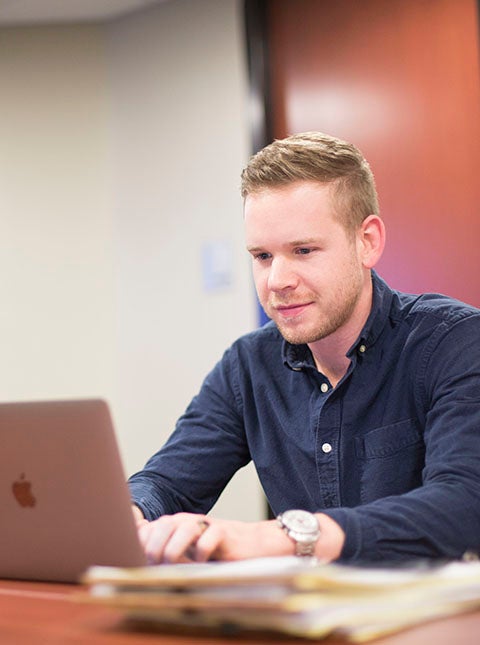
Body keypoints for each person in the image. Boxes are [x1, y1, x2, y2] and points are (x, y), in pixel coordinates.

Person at [128, 131, 480, 566]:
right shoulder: (247, 366)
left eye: (304, 250)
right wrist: (130, 516)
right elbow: (167, 483)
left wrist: (288, 537)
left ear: (367, 241)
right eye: (262, 256)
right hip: (305, 622)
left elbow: (464, 504)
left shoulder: (454, 342)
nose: (277, 280)